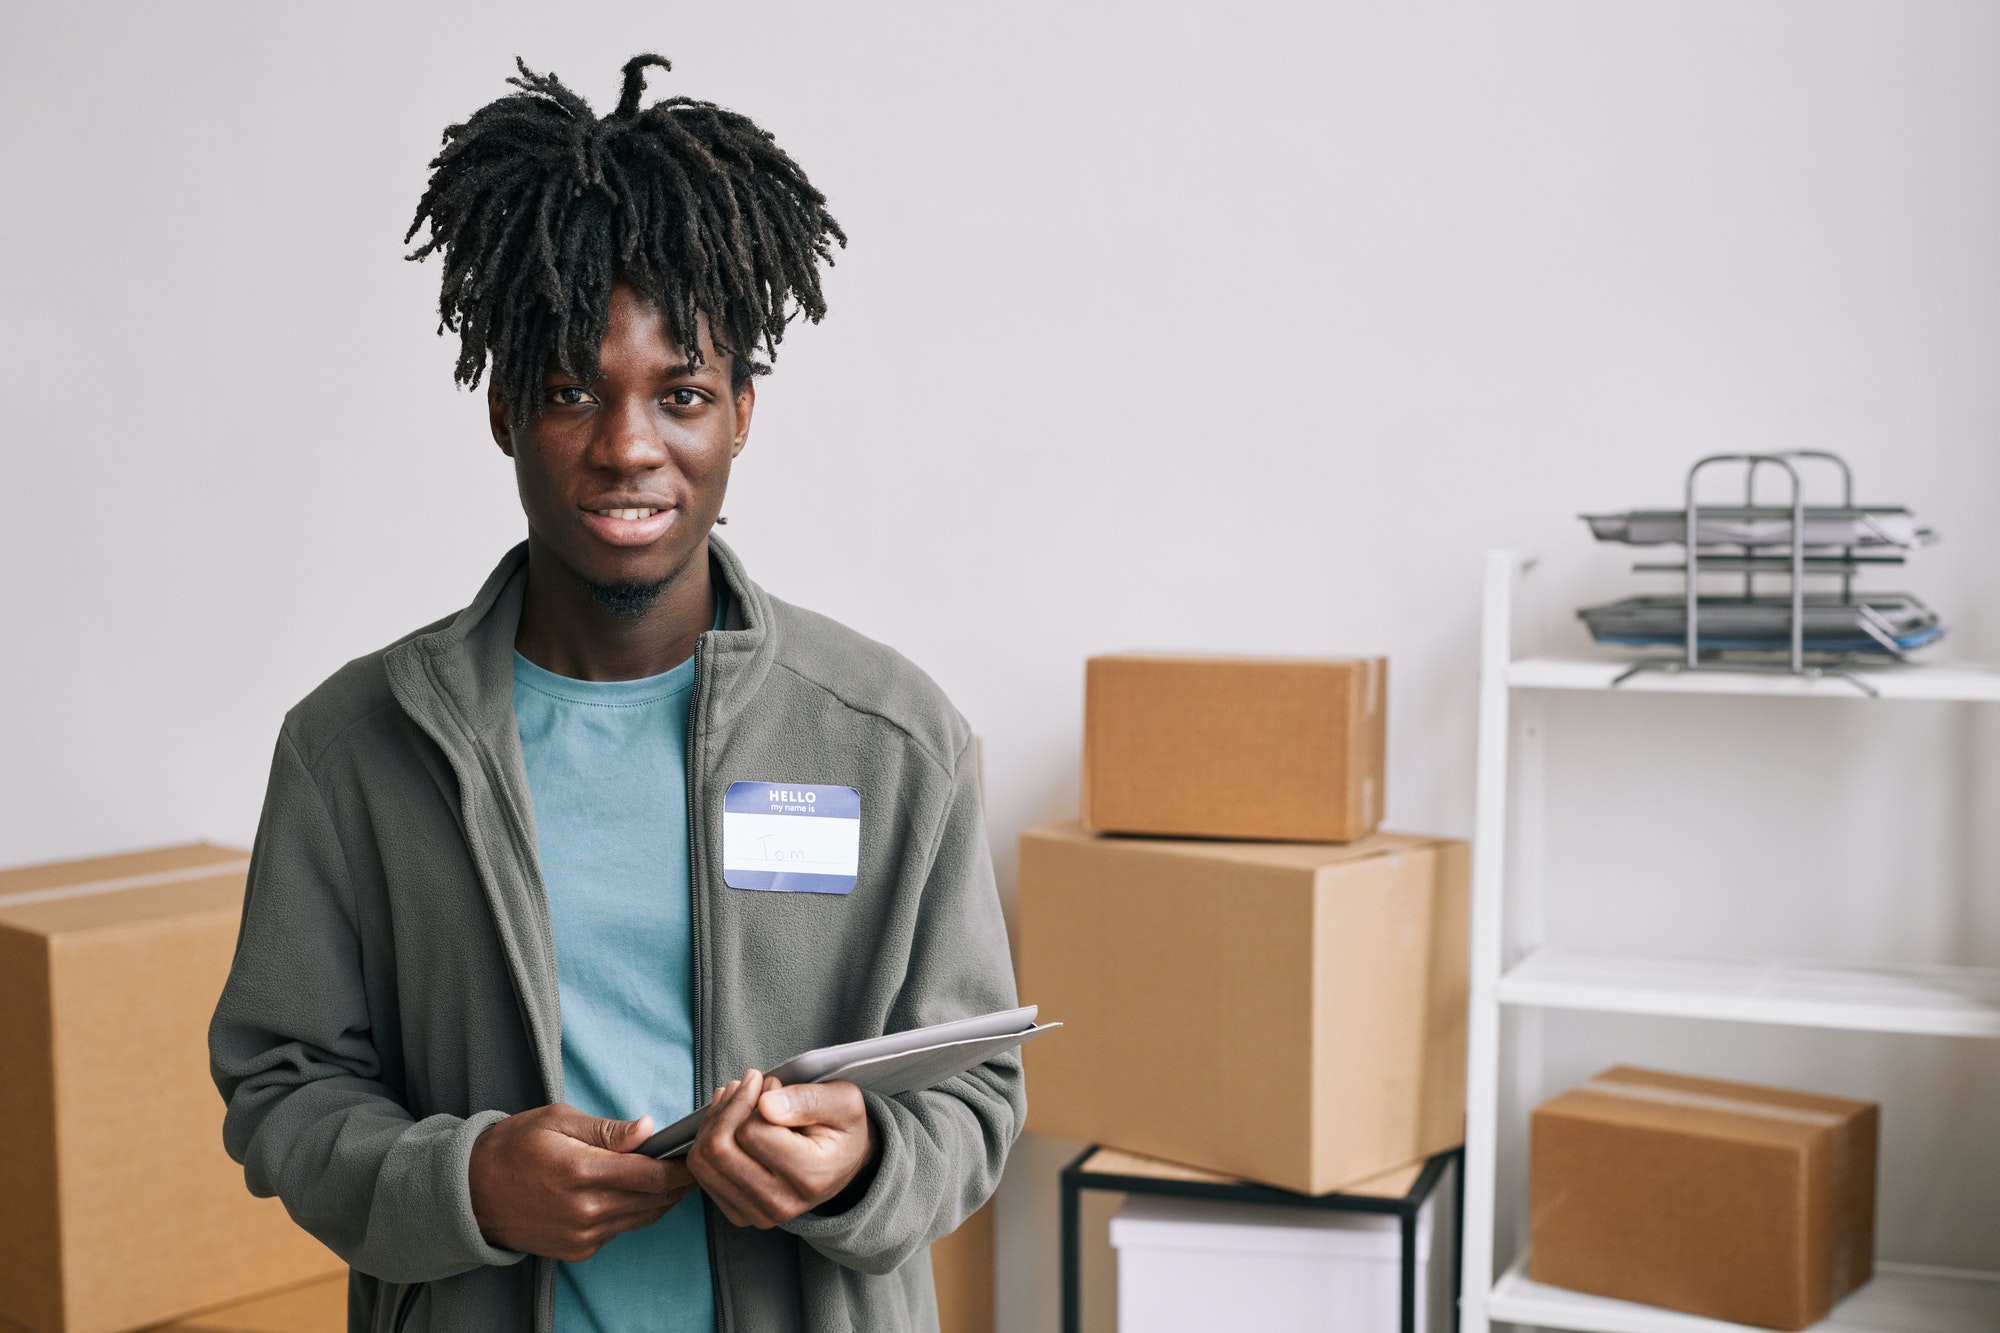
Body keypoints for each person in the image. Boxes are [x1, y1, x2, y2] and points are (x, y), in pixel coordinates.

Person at [209, 53, 1022, 1333]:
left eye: (682, 393)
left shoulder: (888, 737)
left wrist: (858, 1159)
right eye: (571, 391)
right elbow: (282, 1085)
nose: (629, 444)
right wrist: (465, 1180)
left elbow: (972, 1096)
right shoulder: (352, 748)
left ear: (741, 414)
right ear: (502, 413)